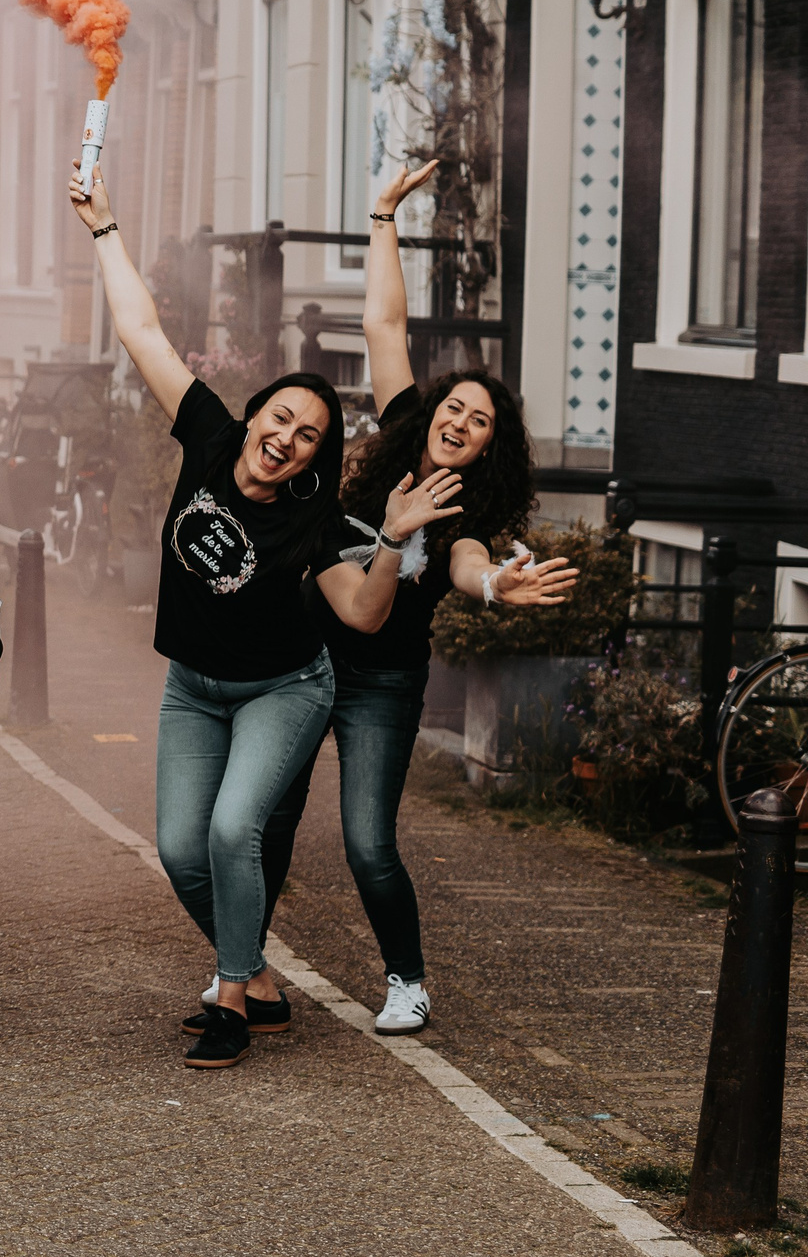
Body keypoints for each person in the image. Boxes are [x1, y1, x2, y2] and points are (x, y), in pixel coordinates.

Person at [70, 165, 461, 1069]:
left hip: (283, 689)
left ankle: (233, 998)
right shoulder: (206, 435)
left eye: (309, 436)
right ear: (252, 418)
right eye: (280, 418)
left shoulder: (316, 521)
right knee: (177, 847)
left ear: (315, 458)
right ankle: (258, 978)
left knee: (230, 828)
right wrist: (106, 231)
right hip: (191, 688)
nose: (286, 438)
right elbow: (141, 330)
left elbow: (362, 619)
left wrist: (394, 542)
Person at [254, 161, 578, 1036]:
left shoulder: (469, 512)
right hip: (302, 663)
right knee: (272, 820)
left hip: (381, 685)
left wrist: (498, 586)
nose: (461, 421)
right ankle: (238, 969)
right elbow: (384, 319)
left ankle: (408, 980)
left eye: (481, 422)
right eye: (457, 407)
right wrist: (384, 215)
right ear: (434, 408)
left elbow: (471, 563)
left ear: (487, 448)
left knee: (367, 842)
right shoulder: (400, 425)